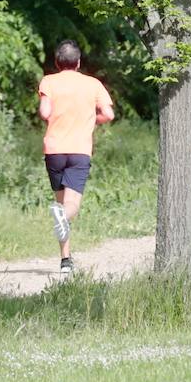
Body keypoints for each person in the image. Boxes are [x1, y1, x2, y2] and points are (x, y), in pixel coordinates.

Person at [39, 40, 115, 274]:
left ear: (57, 62)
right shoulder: (93, 84)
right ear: (79, 62)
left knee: (61, 203)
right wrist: (93, 120)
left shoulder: (48, 81)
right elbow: (109, 114)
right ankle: (64, 246)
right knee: (70, 207)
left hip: (54, 150)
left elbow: (44, 112)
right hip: (80, 150)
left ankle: (65, 259)